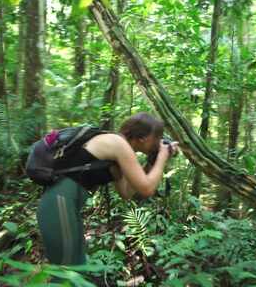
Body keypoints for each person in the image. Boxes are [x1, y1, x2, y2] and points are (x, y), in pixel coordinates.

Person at [37, 112, 178, 266]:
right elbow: (147, 189)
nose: (157, 143)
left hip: (64, 204)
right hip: (59, 203)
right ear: (143, 138)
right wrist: (162, 157)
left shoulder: (118, 147)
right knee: (66, 269)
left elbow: (126, 192)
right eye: (156, 138)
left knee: (77, 264)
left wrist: (153, 160)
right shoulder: (118, 144)